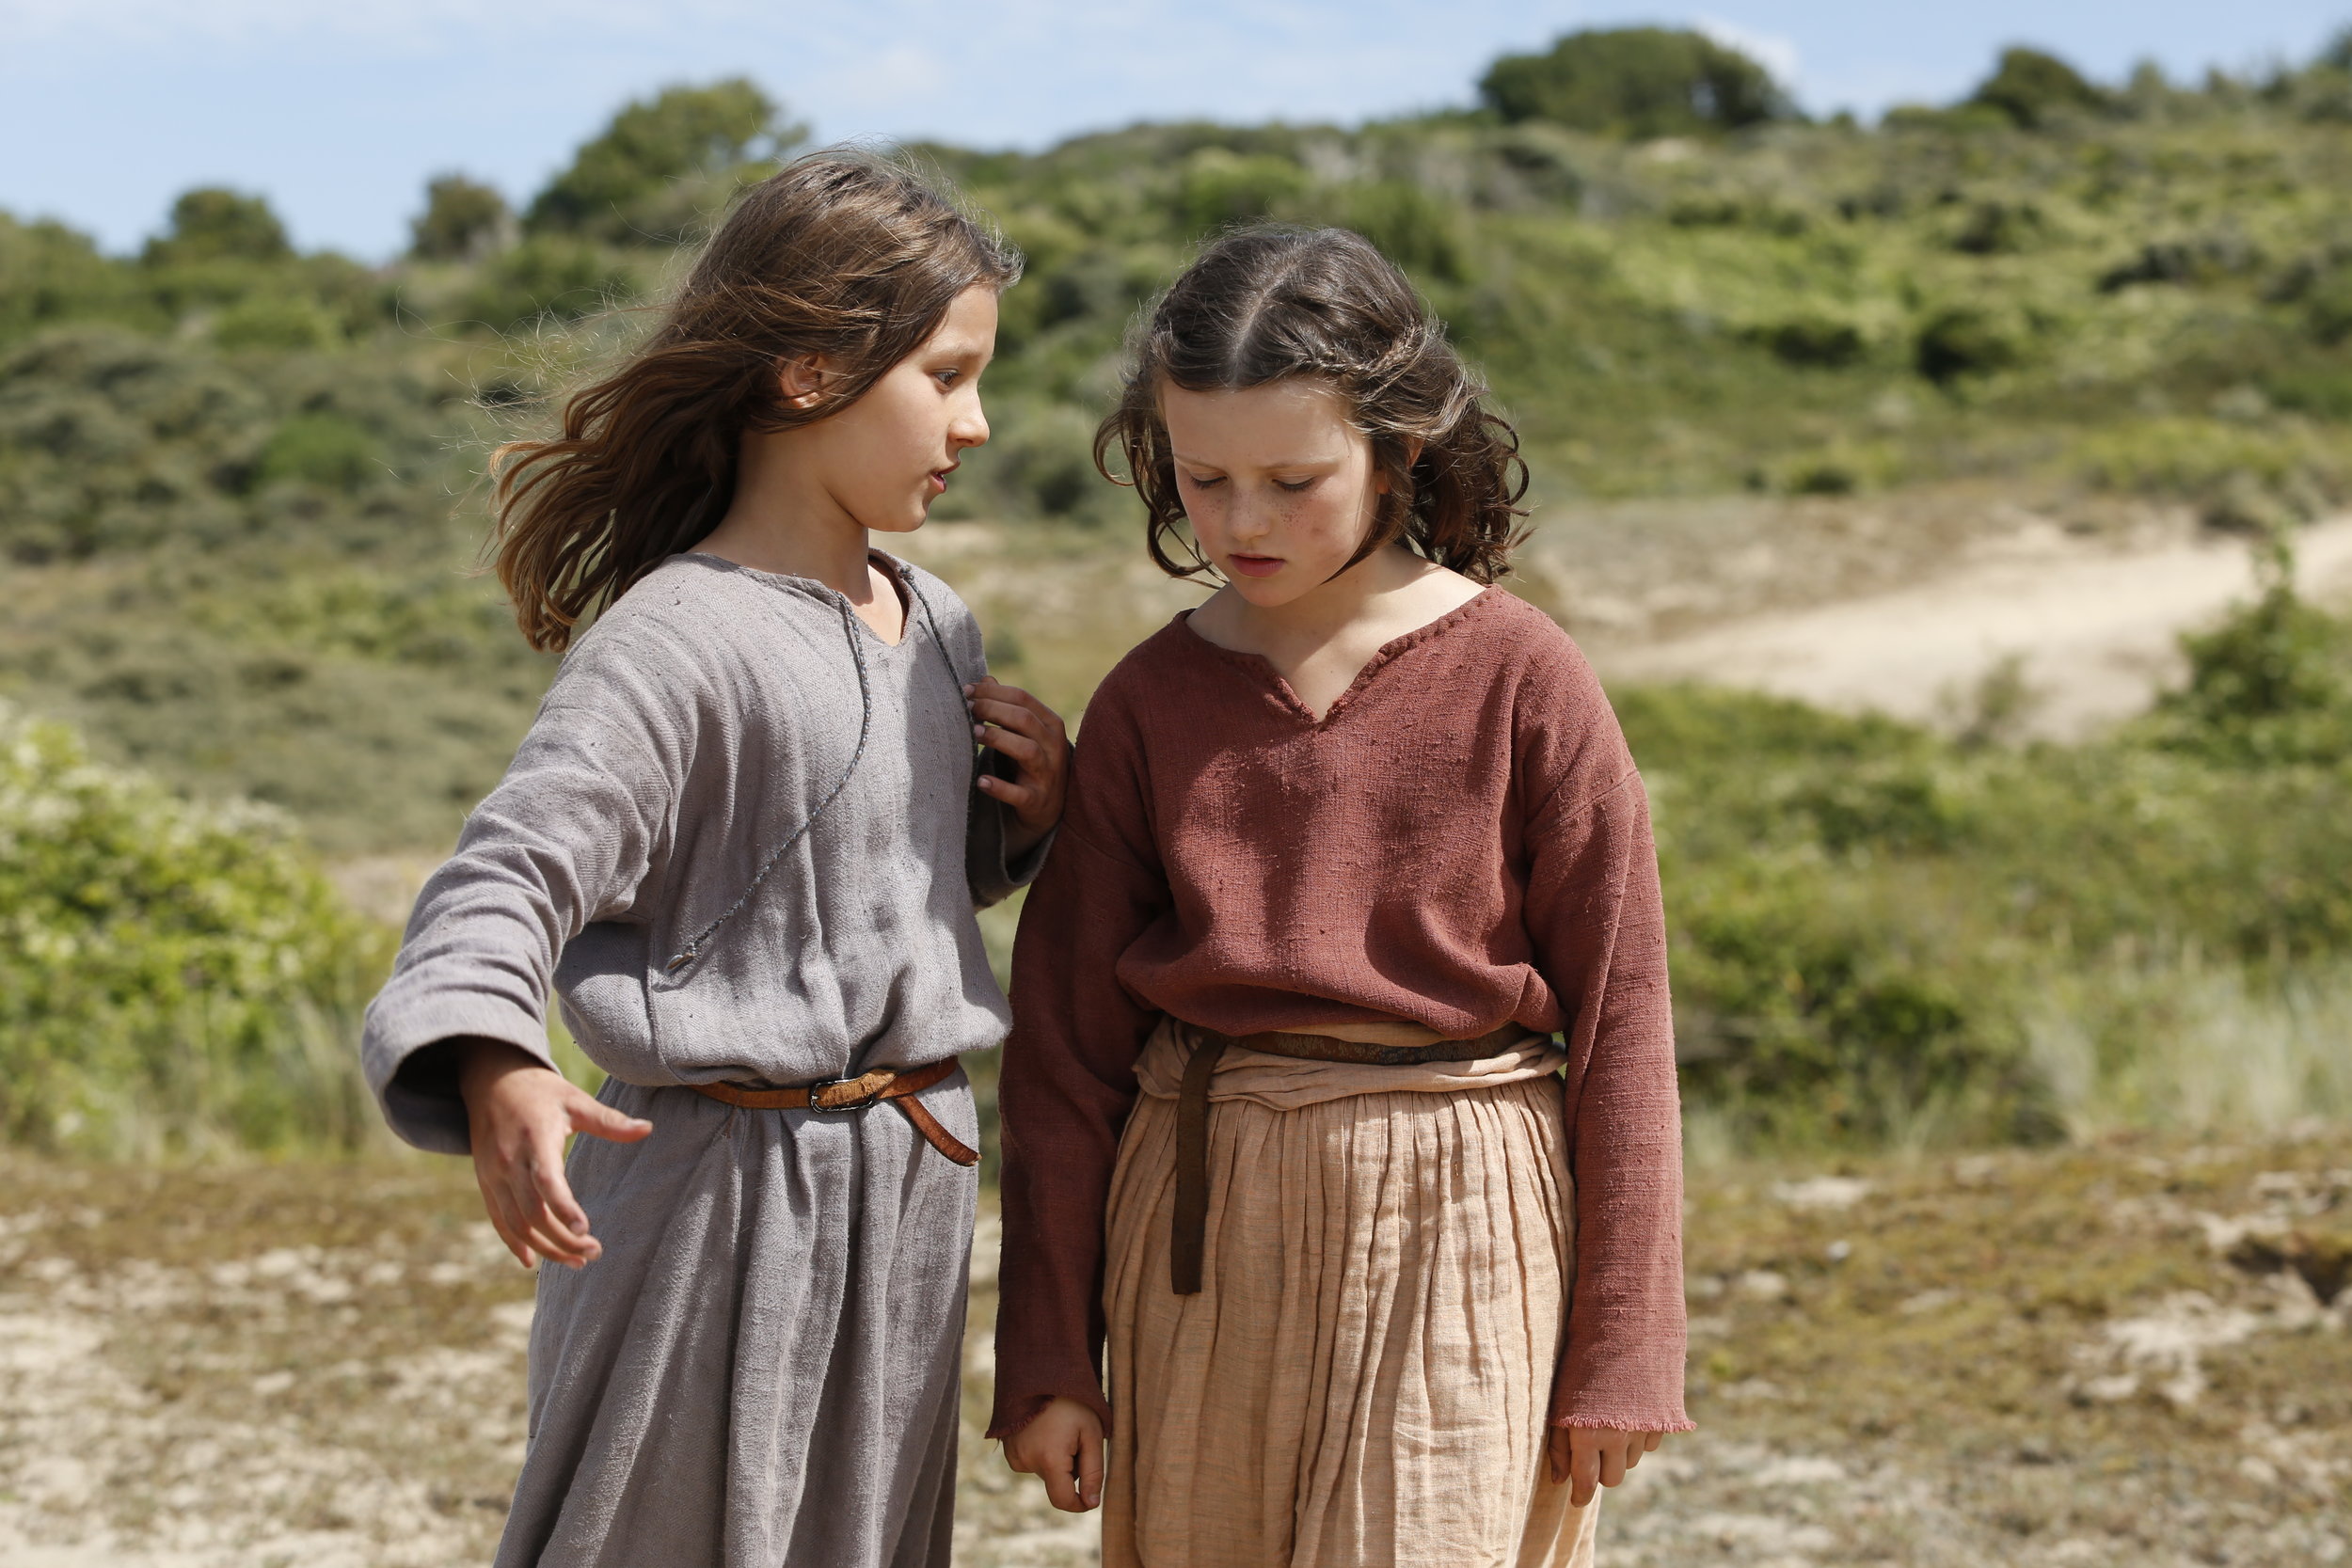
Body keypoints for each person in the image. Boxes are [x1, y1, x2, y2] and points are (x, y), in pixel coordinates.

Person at [359, 151, 1069, 1568]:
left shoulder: (937, 622)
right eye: (945, 375)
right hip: (712, 1203)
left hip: (908, 1186)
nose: (977, 422)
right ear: (809, 372)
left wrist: (1027, 815)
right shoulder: (672, 639)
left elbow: (858, 872)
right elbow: (512, 871)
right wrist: (491, 1056)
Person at [989, 226, 1689, 1567]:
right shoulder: (1146, 698)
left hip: (1464, 1204)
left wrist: (1624, 1347)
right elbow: (1068, 1057)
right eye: (1205, 478)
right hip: (1204, 1222)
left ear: (1399, 450)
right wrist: (1050, 1358)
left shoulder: (1524, 675)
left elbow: (1625, 1026)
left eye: (1293, 479)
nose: (1242, 522)